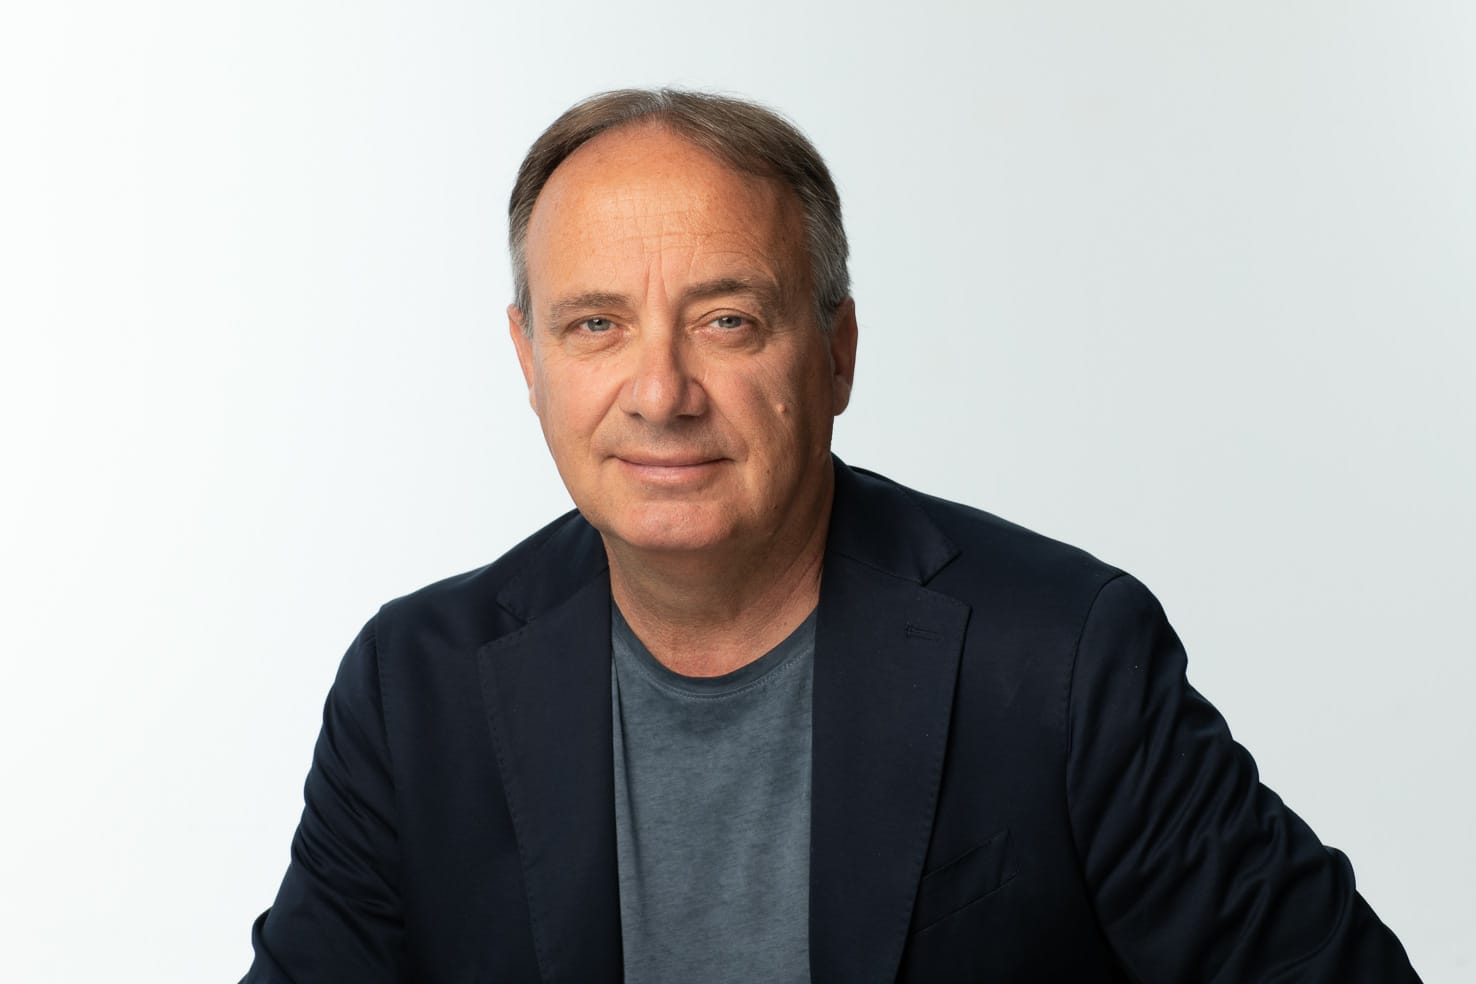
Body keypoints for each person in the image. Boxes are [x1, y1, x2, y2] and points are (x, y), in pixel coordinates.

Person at [243, 89, 1420, 982]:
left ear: (837, 352)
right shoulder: (414, 690)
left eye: (727, 320)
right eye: (596, 324)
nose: (660, 392)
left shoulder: (1061, 660)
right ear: (529, 359)